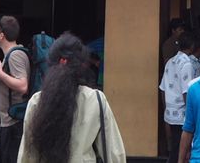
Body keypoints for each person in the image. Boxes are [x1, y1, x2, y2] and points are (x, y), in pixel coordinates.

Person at [19, 33, 126, 163]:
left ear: (51, 65)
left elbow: (27, 155)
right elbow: (114, 153)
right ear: (82, 66)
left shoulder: (37, 102)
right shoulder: (96, 100)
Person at [0, 15, 30, 163]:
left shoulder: (16, 56)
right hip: (8, 123)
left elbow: (23, 86)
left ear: (1, 35)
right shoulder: (12, 55)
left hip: (13, 125)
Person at [161, 32, 199, 163]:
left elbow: (163, 88)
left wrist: (166, 108)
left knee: (176, 149)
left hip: (170, 113)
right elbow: (186, 92)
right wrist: (192, 114)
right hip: (182, 115)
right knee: (182, 151)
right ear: (192, 46)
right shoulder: (186, 64)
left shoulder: (170, 62)